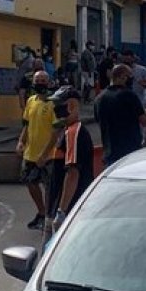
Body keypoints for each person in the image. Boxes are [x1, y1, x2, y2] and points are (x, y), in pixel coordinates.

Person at [16, 70, 57, 230]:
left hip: (48, 156)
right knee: (30, 183)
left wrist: (45, 154)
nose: (40, 83)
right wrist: (20, 142)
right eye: (37, 80)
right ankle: (41, 212)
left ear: (49, 82)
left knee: (49, 188)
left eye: (43, 80)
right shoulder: (31, 101)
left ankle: (49, 217)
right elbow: (26, 125)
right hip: (30, 153)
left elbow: (56, 132)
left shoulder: (53, 103)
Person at [49, 86, 94, 231]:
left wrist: (61, 212)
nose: (56, 109)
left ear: (71, 105)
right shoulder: (67, 130)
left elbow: (72, 173)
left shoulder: (73, 132)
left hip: (71, 207)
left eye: (59, 105)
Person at [95, 63, 146, 165]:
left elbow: (98, 121)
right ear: (122, 77)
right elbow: (145, 121)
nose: (131, 80)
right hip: (130, 153)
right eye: (130, 77)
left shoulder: (99, 98)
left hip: (109, 153)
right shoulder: (129, 95)